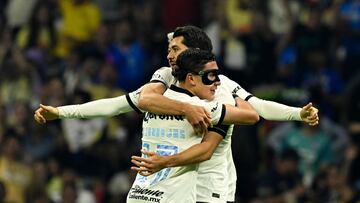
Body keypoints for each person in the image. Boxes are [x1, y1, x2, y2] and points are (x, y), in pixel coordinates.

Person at [34, 25, 319, 202]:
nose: (169, 55)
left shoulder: (219, 86)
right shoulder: (165, 76)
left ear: (194, 54)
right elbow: (135, 100)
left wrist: (296, 114)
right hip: (169, 186)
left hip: (211, 185)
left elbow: (254, 110)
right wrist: (61, 112)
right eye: (169, 50)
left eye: (175, 49)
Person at [128, 48, 259, 202]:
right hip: (172, 197)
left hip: (139, 194)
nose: (217, 82)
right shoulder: (201, 108)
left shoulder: (156, 102)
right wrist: (234, 94)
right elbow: (252, 116)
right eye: (211, 75)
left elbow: (143, 99)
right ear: (191, 78)